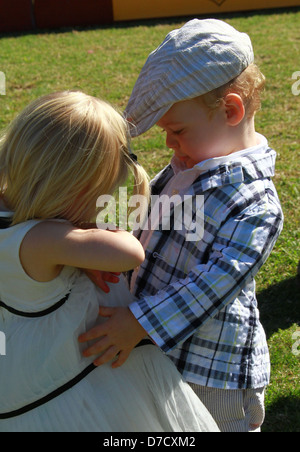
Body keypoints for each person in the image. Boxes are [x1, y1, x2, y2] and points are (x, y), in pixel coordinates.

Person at [79, 19, 284, 432]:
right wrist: (114, 258)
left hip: (213, 368)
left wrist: (137, 323)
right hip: (162, 350)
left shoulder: (257, 204)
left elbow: (214, 283)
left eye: (177, 131)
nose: (169, 144)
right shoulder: (184, 168)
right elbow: (147, 225)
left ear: (230, 110)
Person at [0, 91, 219, 432]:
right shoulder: (42, 239)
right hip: (72, 401)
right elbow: (128, 253)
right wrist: (85, 237)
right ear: (73, 189)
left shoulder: (12, 221)